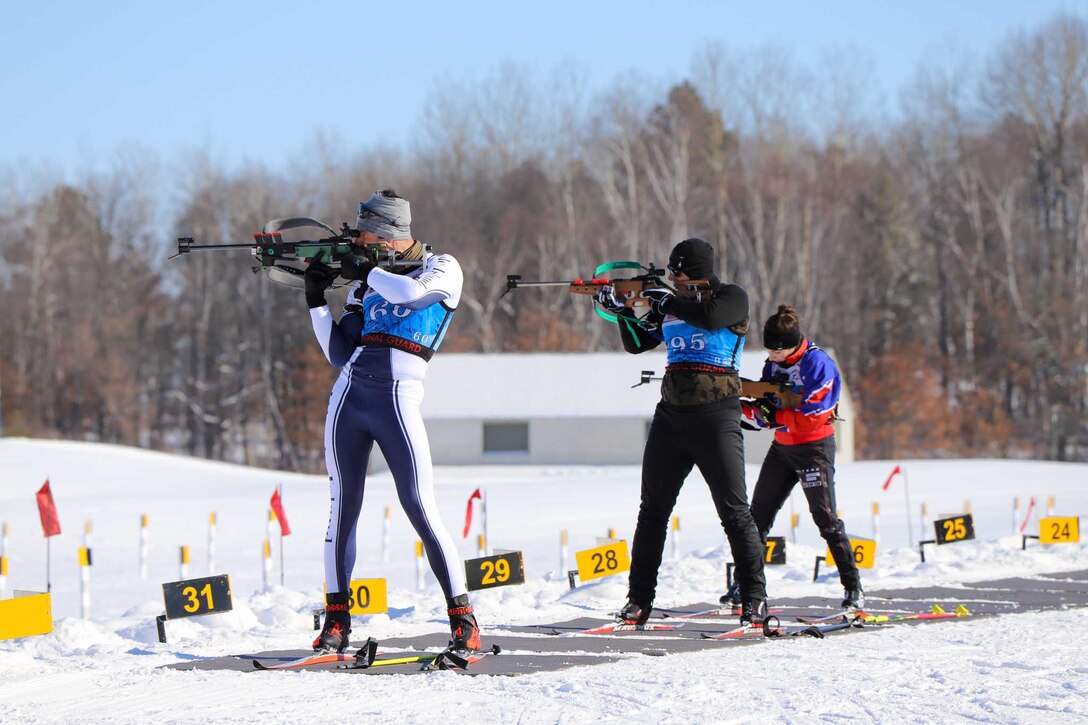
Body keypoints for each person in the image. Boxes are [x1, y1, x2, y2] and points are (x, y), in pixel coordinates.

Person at [304, 189, 481, 653]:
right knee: (343, 506)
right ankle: (337, 620)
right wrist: (316, 299)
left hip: (399, 399)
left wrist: (368, 271)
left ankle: (463, 619)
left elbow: (414, 295)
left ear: (386, 233)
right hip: (350, 397)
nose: (358, 241)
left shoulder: (441, 266)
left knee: (420, 506)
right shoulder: (369, 281)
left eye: (364, 233)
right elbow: (338, 352)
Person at [597, 237, 768, 625]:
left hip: (717, 415)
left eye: (678, 272)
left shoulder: (731, 297)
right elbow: (637, 345)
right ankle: (639, 600)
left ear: (696, 272)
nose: (672, 278)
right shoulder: (675, 305)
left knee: (735, 511)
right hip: (671, 416)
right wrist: (621, 311)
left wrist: (665, 300)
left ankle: (755, 597)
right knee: (652, 511)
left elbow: (708, 318)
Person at [739, 304, 863, 610]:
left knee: (826, 519)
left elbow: (813, 415)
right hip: (782, 447)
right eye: (767, 350)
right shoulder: (773, 364)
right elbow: (767, 404)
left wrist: (773, 416)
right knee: (757, 519)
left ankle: (853, 587)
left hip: (813, 448)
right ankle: (745, 587)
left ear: (792, 345)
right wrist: (745, 409)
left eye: (776, 352)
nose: (771, 357)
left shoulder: (818, 364)